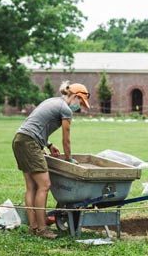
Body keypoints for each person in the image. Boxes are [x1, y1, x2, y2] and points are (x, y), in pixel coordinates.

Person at [12, 81, 90, 239]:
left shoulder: (52, 101)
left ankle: (33, 226)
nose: (80, 107)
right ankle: (42, 229)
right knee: (44, 185)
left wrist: (48, 144)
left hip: (20, 139)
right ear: (75, 96)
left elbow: (35, 124)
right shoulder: (65, 109)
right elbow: (66, 140)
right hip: (30, 143)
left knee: (31, 186)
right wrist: (69, 159)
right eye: (81, 102)